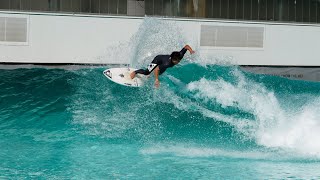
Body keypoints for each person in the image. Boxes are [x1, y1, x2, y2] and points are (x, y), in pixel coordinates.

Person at [130, 45, 195, 87]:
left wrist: (191, 50)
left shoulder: (180, 54)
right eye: (175, 61)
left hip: (163, 60)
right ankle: (135, 72)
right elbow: (156, 69)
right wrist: (156, 80)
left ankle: (150, 75)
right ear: (171, 58)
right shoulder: (167, 63)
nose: (177, 62)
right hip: (157, 59)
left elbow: (186, 46)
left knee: (160, 73)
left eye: (178, 61)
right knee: (147, 72)